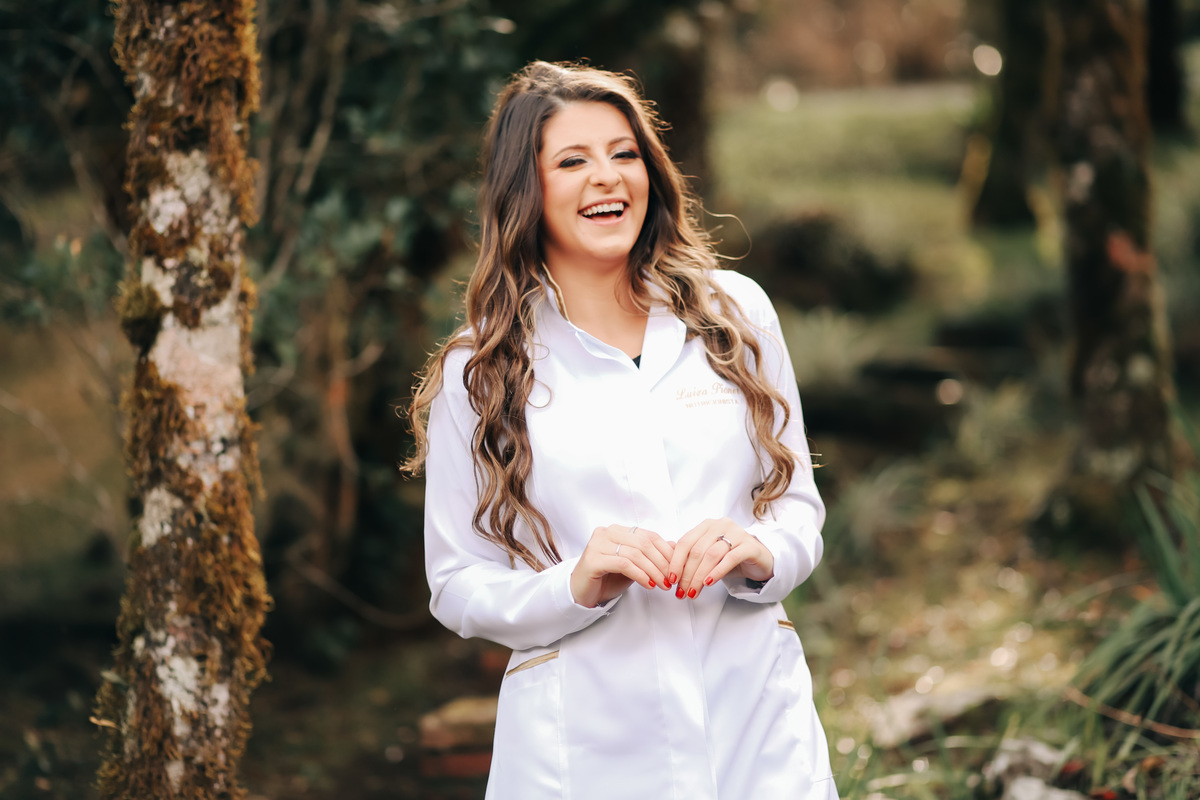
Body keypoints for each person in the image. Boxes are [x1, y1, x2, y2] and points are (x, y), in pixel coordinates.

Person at [405, 61, 837, 800]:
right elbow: (456, 584)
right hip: (582, 749)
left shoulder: (736, 315)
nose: (607, 177)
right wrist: (570, 585)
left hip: (756, 724)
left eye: (623, 153)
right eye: (573, 161)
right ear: (525, 191)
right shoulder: (480, 370)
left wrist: (761, 551)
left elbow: (798, 505)